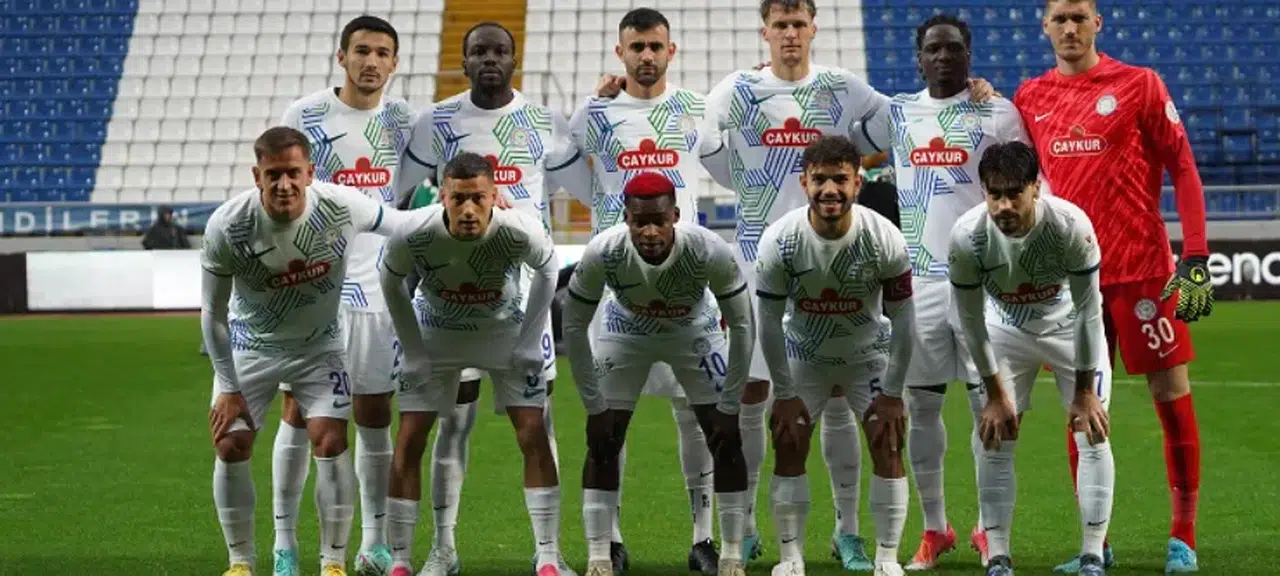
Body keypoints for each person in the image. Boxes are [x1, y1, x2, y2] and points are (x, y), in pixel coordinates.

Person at [1014, 1, 1212, 572]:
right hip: (1071, 277)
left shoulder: (1139, 85)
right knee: (1082, 406)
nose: (1070, 27)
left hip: (1142, 269)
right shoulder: (1029, 97)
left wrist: (1196, 255)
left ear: (1097, 23)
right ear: (1044, 25)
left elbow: (1183, 167)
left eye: (1080, 16)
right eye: (1060, 18)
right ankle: (1093, 544)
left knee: (1170, 396)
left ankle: (1183, 536)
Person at [395, 22, 588, 575]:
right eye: (478, 50)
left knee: (538, 424)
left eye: (499, 51)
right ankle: (443, 549)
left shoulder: (545, 122)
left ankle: (548, 553)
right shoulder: (435, 122)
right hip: (451, 297)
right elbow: (395, 192)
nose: (489, 59)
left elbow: (591, 191)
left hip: (525, 298)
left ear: (513, 58)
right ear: (463, 60)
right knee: (453, 424)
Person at [859, 14, 1034, 569]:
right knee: (922, 405)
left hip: (985, 281)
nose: (942, 57)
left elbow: (1034, 184)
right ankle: (936, 528)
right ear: (918, 59)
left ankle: (989, 529)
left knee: (991, 408)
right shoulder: (898, 113)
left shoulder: (997, 112)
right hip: (920, 281)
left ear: (968, 55)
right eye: (932, 49)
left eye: (953, 49)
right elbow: (836, 130)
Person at [566, 7, 736, 573]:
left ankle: (704, 539)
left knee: (696, 415)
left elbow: (729, 166)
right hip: (617, 289)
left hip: (688, 283)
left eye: (655, 46)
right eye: (636, 46)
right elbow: (561, 163)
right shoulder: (596, 113)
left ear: (670, 51)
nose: (645, 55)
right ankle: (609, 543)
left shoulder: (694, 108)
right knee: (611, 421)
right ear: (620, 52)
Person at [201, 126, 407, 576]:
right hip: (251, 347)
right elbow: (212, 313)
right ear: (256, 176)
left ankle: (332, 562)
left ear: (310, 173)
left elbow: (402, 224)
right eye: (273, 174)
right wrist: (229, 387)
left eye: (293, 173)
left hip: (319, 347)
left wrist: (480, 211)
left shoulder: (340, 205)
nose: (283, 184)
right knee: (231, 444)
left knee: (330, 440)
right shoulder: (228, 225)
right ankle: (241, 562)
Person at [271, 15, 415, 576]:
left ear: (394, 63)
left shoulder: (404, 120)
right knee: (300, 414)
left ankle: (373, 544)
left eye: (382, 53)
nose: (370, 61)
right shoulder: (304, 116)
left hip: (379, 287)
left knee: (375, 412)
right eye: (361, 51)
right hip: (317, 287)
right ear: (342, 56)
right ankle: (285, 545)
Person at [381, 152, 570, 576]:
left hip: (501, 330)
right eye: (459, 198)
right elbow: (389, 281)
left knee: (533, 432)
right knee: (411, 437)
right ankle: (411, 558)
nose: (468, 210)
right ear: (442, 196)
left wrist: (528, 341)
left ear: (494, 195)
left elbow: (547, 271)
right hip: (437, 332)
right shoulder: (414, 231)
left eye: (478, 199)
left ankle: (548, 555)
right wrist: (412, 350)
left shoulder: (519, 229)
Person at [562, 172, 755, 576]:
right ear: (626, 219)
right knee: (603, 440)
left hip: (693, 330)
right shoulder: (603, 251)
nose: (650, 232)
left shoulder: (707, 249)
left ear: (675, 217)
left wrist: (730, 403)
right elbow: (574, 326)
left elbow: (742, 324)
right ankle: (601, 556)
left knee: (725, 436)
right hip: (627, 329)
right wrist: (593, 406)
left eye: (659, 221)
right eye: (640, 222)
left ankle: (727, 554)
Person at [949, 141, 1115, 576]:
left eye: (1014, 194)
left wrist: (1085, 392)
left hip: (1069, 329)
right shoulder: (967, 236)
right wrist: (994, 394)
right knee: (994, 436)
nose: (1004, 206)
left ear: (1036, 188)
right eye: (994, 195)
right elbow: (970, 321)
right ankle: (998, 555)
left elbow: (1089, 311)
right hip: (1003, 332)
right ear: (983, 192)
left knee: (1093, 432)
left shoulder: (1070, 225)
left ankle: (1093, 555)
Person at [755, 135, 916, 576]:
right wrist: (784, 392)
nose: (830, 189)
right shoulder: (780, 240)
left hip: (868, 357)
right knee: (789, 445)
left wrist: (893, 393)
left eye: (840, 179)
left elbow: (905, 320)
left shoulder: (884, 237)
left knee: (888, 444)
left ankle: (886, 559)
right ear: (804, 182)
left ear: (857, 183)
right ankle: (791, 559)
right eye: (820, 179)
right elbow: (767, 322)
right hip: (805, 357)